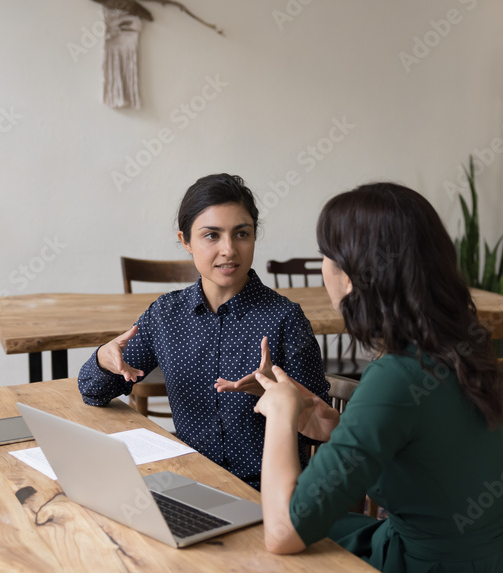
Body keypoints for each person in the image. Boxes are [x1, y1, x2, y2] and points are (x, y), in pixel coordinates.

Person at [253, 183, 503, 573]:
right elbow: (431, 458)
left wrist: (280, 412)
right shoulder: (460, 347)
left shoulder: (397, 376)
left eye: (325, 257)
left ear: (352, 276)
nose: (323, 270)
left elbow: (282, 531)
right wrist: (339, 429)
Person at [78, 173, 335, 489]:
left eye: (241, 234)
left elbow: (324, 432)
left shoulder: (285, 319)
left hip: (269, 494)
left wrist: (286, 398)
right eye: (211, 236)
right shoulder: (166, 315)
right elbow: (92, 391)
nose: (229, 249)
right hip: (190, 484)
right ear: (186, 241)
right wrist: (104, 359)